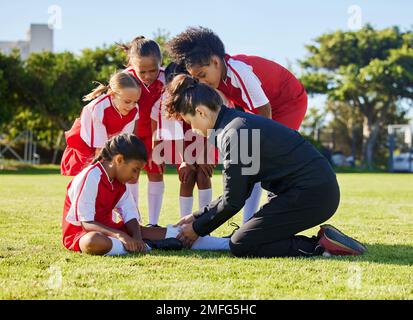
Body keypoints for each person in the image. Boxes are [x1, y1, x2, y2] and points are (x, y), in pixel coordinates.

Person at [165, 74, 367, 258]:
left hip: (312, 194)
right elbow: (238, 192)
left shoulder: (235, 133)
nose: (193, 129)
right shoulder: (236, 124)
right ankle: (327, 240)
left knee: (242, 243)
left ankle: (322, 246)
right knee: (247, 235)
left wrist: (197, 228)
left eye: (189, 122)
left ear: (200, 112)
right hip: (308, 190)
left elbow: (233, 200)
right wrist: (196, 216)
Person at [167, 26, 309, 224]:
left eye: (202, 74)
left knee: (261, 160)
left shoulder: (239, 71)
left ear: (216, 62)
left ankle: (264, 214)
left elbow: (264, 111)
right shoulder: (217, 82)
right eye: (196, 78)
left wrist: (258, 148)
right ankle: (248, 222)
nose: (200, 82)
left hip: (287, 102)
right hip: (263, 108)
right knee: (249, 161)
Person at [62, 133, 230, 255]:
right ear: (119, 160)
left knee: (178, 233)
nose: (135, 177)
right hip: (82, 234)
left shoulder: (120, 182)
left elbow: (130, 215)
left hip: (113, 232)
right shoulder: (91, 176)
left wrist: (136, 236)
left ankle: (228, 243)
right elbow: (87, 223)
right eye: (134, 170)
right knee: (93, 242)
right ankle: (151, 246)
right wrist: (122, 236)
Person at [61, 72, 140, 176]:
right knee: (88, 165)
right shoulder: (98, 108)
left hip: (109, 134)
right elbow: (100, 149)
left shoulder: (134, 110)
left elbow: (122, 141)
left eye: (135, 101)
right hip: (85, 135)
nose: (131, 106)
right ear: (112, 95)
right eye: (127, 101)